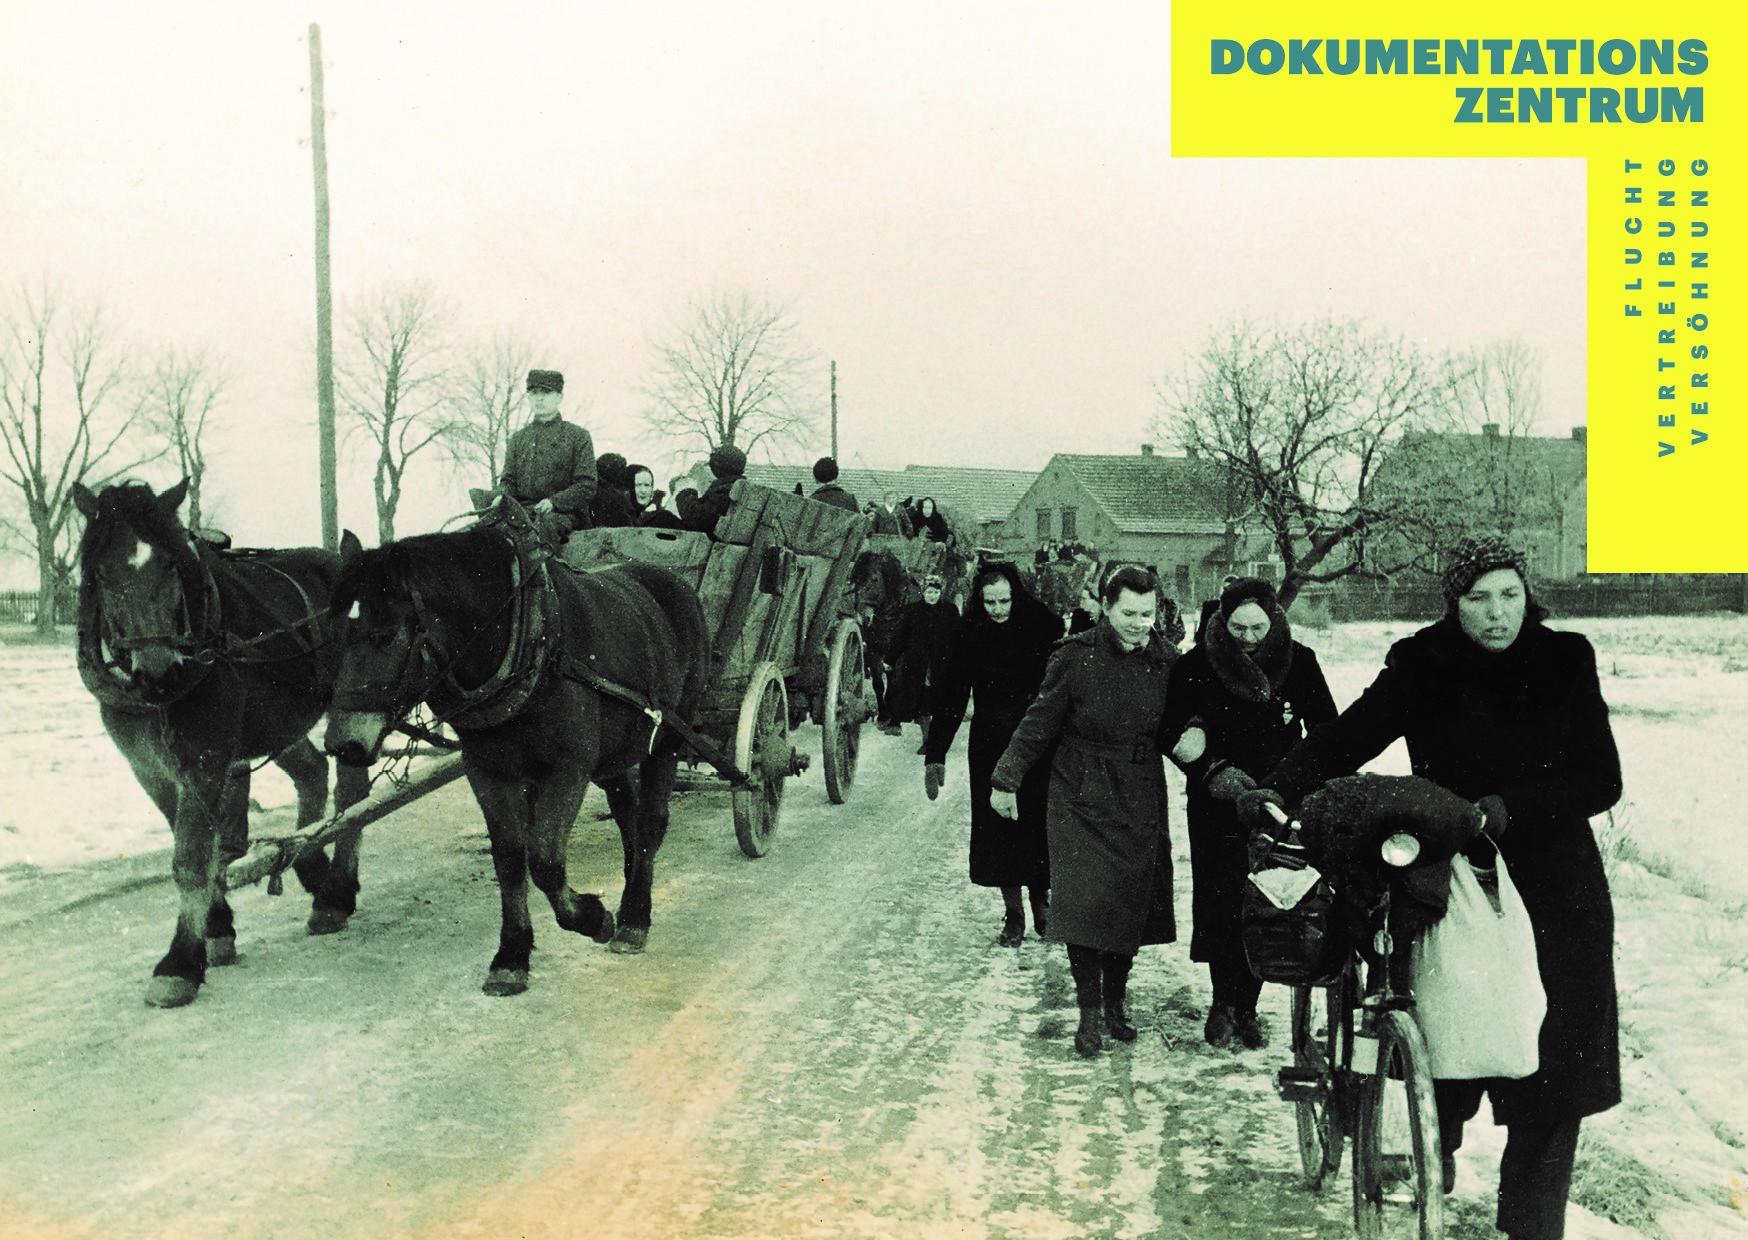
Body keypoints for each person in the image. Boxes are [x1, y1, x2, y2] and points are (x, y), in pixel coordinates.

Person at [1241, 536, 1622, 1240]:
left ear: (1527, 595)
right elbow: (1349, 735)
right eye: (1478, 598)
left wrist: (1513, 805)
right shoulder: (1424, 663)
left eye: (1509, 595)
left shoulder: (1566, 659)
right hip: (1444, 872)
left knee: (1554, 1061)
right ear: (1455, 603)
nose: (1496, 613)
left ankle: (1532, 1224)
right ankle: (1428, 1170)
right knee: (1446, 1032)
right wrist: (1277, 786)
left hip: (1554, 888)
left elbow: (1602, 777)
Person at [989, 565, 1178, 1057]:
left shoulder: (1168, 662)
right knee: (1086, 904)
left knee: (1127, 903)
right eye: (1129, 613)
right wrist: (1006, 778)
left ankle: (1115, 1003)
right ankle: (1089, 1013)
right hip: (1080, 791)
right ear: (1106, 608)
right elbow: (1039, 722)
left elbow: (1184, 726)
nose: (1139, 623)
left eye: (1147, 613)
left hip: (1139, 792)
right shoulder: (1075, 658)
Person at [1159, 576, 1337, 1050]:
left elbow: (1327, 732)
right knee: (1221, 902)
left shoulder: (1300, 662)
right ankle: (1223, 1003)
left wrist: (1293, 782)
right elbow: (1171, 731)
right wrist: (1212, 771)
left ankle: (1250, 1006)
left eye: (1257, 627)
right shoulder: (1197, 664)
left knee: (1266, 903)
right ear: (1223, 620)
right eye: (1238, 628)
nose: (1249, 638)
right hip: (1218, 803)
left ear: (1274, 619)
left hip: (1279, 805)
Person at [924, 561, 1060, 947]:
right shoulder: (968, 634)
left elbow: (1060, 691)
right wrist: (936, 753)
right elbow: (951, 697)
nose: (999, 609)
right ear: (979, 601)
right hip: (989, 743)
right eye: (990, 602)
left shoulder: (1040, 628)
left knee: (1036, 823)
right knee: (998, 830)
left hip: (1035, 743)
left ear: (1016, 595)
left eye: (1004, 601)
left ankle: (1042, 903)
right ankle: (1013, 912)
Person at [498, 368, 597, 542]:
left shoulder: (577, 436)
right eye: (534, 392)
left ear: (559, 397)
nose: (539, 398)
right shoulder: (518, 439)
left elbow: (586, 485)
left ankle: (543, 570)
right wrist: (502, 498)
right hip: (522, 512)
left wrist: (554, 502)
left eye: (546, 392)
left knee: (539, 533)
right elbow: (508, 481)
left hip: (562, 514)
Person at [878, 573, 959, 742]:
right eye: (929, 592)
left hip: (942, 663)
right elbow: (900, 637)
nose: (932, 596)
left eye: (936, 593)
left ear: (941, 593)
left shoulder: (950, 610)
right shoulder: (913, 610)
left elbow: (959, 637)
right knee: (923, 703)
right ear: (923, 592)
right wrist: (890, 660)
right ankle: (927, 740)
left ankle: (936, 737)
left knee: (940, 702)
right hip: (918, 664)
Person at [679, 444, 746, 536]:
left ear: (718, 466)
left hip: (708, 542)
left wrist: (687, 492)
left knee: (662, 516)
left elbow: (697, 520)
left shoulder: (726, 490)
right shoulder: (741, 489)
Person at [590, 453, 639, 528]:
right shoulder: (616, 497)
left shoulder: (591, 491)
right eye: (622, 470)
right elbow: (633, 527)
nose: (624, 475)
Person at [629, 464, 682, 529]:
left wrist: (657, 504)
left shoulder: (663, 517)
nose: (643, 490)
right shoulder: (622, 516)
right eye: (638, 485)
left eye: (647, 485)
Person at [1197, 573, 1241, 645]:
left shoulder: (1243, 609)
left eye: (1231, 589)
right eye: (1225, 589)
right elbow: (1201, 632)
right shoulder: (1210, 606)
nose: (1227, 592)